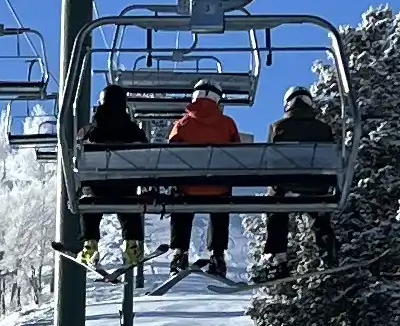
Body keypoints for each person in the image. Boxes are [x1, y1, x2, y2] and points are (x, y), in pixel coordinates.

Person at [80, 77, 151, 299]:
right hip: (125, 187)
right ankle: (131, 244)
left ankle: (90, 242)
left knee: (88, 203)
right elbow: (146, 155)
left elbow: (80, 152)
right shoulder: (133, 130)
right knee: (129, 205)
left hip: (98, 187)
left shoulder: (93, 130)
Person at [164, 81, 243, 277]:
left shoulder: (182, 124)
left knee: (179, 197)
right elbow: (239, 153)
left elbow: (170, 155)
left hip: (188, 187)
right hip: (218, 188)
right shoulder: (228, 124)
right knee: (221, 202)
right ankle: (217, 254)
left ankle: (180, 251)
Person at [257, 81, 338, 269]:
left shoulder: (277, 127)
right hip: (317, 186)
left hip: (286, 186)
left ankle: (277, 255)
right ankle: (326, 247)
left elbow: (269, 159)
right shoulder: (323, 128)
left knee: (276, 210)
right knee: (320, 213)